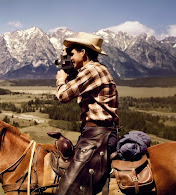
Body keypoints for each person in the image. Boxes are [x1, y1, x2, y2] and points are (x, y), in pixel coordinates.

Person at [55, 32, 119, 195]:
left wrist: (61, 79)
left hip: (98, 137)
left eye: (73, 53)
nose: (71, 57)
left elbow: (63, 96)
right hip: (92, 134)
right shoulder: (92, 69)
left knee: (66, 190)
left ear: (83, 53)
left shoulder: (92, 70)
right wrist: (67, 55)